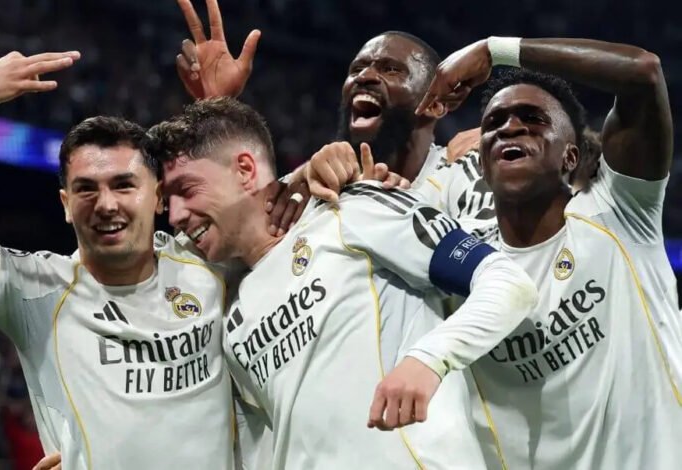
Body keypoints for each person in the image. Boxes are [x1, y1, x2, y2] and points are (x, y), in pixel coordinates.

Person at [147, 96, 539, 469]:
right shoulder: (229, 309)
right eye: (169, 200)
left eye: (187, 190)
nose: (176, 215)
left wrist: (429, 359)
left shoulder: (352, 210)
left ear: (245, 170)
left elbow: (507, 284)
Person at [0, 52, 235, 469]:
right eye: (86, 189)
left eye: (124, 185)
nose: (106, 204)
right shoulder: (36, 290)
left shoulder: (209, 263)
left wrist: (224, 117)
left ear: (158, 196)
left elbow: (272, 203)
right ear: (65, 204)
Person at [390, 37, 682, 468]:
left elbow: (643, 72)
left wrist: (495, 50)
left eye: (532, 118)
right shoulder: (462, 260)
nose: (509, 127)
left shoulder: (618, 213)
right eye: (494, 123)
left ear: (570, 157)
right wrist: (318, 170)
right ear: (483, 165)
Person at [173, 0, 447, 201]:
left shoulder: (458, 178)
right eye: (356, 69)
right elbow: (237, 221)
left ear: (435, 104)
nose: (364, 77)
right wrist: (216, 105)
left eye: (391, 69)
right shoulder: (311, 187)